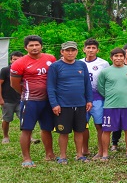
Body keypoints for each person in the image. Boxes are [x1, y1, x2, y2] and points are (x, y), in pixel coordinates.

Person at [10, 35, 57, 167]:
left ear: (41, 46)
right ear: (26, 48)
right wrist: (27, 94)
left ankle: (50, 154)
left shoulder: (50, 58)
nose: (34, 47)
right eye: (31, 45)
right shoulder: (19, 63)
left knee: (47, 128)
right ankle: (26, 159)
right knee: (27, 129)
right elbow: (14, 84)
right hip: (30, 101)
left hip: (48, 101)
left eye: (37, 45)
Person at [46, 41, 93, 164]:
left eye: (73, 50)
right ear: (62, 52)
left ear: (77, 51)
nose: (70, 53)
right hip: (63, 105)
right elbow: (51, 87)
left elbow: (87, 84)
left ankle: (79, 154)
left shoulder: (81, 65)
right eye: (67, 50)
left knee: (79, 130)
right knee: (64, 132)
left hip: (80, 104)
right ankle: (62, 156)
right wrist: (54, 104)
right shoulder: (55, 66)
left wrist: (89, 100)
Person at [97, 48, 127, 161]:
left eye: (120, 56)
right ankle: (105, 153)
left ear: (124, 58)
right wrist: (110, 95)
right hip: (110, 106)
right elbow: (100, 87)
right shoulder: (105, 72)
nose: (118, 58)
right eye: (116, 56)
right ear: (111, 58)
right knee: (107, 130)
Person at [82, 39, 110, 159]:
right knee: (83, 125)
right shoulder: (78, 63)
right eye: (88, 48)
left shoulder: (103, 64)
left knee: (99, 125)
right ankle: (85, 149)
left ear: (97, 50)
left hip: (98, 98)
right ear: (84, 49)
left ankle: (101, 150)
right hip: (82, 99)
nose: (91, 50)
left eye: (93, 48)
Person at [1, 51, 24, 144]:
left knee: (24, 119)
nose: (16, 61)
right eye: (14, 59)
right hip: (7, 100)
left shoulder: (24, 70)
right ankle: (5, 136)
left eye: (19, 59)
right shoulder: (5, 70)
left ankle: (29, 137)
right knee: (7, 119)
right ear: (11, 60)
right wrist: (1, 99)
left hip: (20, 99)